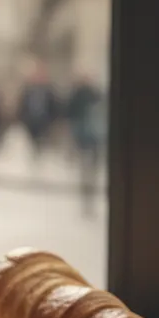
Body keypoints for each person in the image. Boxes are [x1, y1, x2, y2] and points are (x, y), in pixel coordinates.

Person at [65, 74, 105, 216]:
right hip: (88, 141)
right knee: (88, 169)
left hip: (90, 141)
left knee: (88, 169)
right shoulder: (90, 96)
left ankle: (88, 195)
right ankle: (87, 196)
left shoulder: (94, 96)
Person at [17, 61, 59, 159]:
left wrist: (52, 120)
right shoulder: (28, 91)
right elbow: (22, 105)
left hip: (44, 120)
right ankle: (35, 155)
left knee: (43, 140)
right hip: (30, 120)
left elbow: (54, 106)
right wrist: (23, 118)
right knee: (33, 140)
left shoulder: (49, 91)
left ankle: (41, 155)